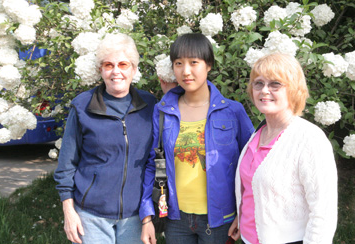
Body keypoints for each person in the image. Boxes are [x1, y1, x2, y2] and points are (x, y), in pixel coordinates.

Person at [140, 33, 254, 244]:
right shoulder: (163, 112)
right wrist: (147, 216)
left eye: (194, 62)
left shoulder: (232, 112)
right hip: (175, 218)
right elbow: (153, 164)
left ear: (208, 64)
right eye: (179, 63)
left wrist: (243, 211)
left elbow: (251, 165)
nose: (186, 71)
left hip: (220, 220)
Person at [54, 33, 157, 244]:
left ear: (134, 69)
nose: (116, 71)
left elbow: (154, 161)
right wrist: (69, 211)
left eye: (123, 64)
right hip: (91, 215)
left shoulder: (150, 105)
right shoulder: (82, 106)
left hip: (135, 216)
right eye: (108, 65)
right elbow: (66, 164)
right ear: (101, 70)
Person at [228, 53, 338, 244]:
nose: (264, 90)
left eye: (275, 84)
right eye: (258, 83)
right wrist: (242, 216)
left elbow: (323, 213)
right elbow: (255, 188)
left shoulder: (309, 139)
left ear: (293, 89)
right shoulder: (258, 134)